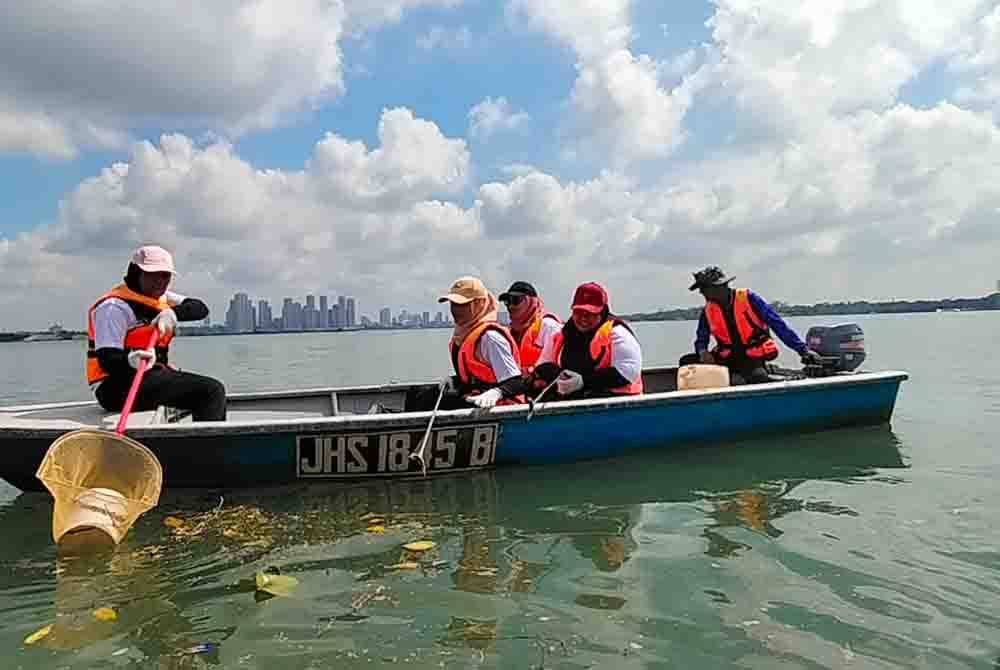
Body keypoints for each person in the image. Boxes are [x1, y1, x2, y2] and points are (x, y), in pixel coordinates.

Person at [87, 245, 227, 421]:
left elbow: (200, 308)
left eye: (165, 275)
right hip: (113, 386)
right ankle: (208, 448)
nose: (160, 281)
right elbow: (108, 360)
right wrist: (131, 360)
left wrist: (173, 313)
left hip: (147, 376)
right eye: (152, 275)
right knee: (210, 391)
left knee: (201, 387)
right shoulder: (113, 308)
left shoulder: (161, 297)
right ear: (136, 273)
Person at [681, 266, 821, 384]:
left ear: (718, 287)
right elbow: (701, 337)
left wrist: (802, 350)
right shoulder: (708, 310)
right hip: (727, 356)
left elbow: (778, 325)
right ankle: (758, 373)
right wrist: (703, 352)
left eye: (704, 288)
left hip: (752, 356)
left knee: (757, 377)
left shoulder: (749, 298)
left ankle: (780, 375)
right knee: (686, 363)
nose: (701, 292)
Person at [534, 282, 643, 399]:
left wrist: (583, 381)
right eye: (578, 312)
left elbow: (629, 372)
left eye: (590, 313)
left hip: (616, 402)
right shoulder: (562, 334)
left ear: (602, 312)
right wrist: (559, 376)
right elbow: (543, 365)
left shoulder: (618, 333)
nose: (583, 318)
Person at [433, 276, 528, 410]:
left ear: (479, 304)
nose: (455, 310)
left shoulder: (490, 338)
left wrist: (497, 393)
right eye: (453, 304)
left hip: (500, 405)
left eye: (462, 304)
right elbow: (477, 378)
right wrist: (455, 380)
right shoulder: (463, 334)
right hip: (474, 397)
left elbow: (517, 382)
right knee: (423, 396)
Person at [497, 281, 562, 378]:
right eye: (507, 302)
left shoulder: (549, 326)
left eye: (515, 300)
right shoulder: (508, 332)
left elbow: (553, 364)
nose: (510, 306)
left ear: (530, 301)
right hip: (514, 387)